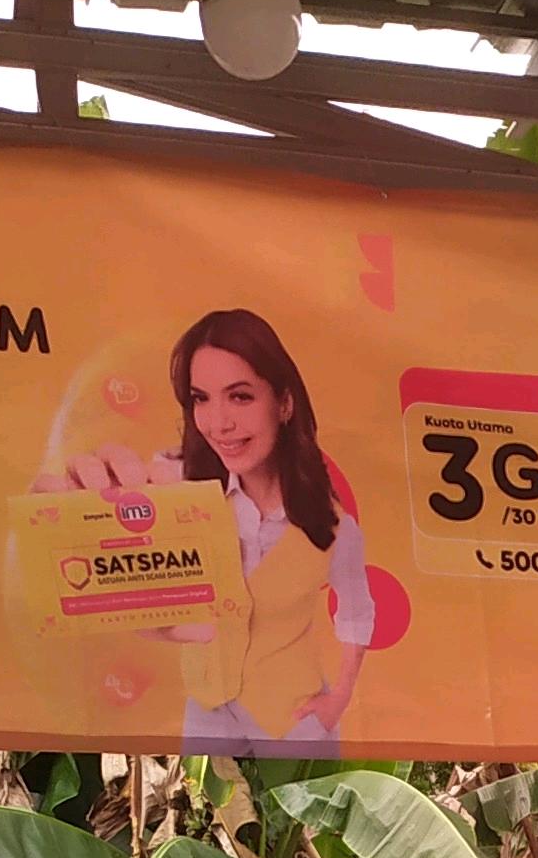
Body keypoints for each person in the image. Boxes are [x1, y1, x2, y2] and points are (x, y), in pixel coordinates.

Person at [33, 309, 372, 755]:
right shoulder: (175, 489)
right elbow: (135, 598)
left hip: (294, 720)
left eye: (240, 397)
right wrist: (75, 522)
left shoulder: (333, 526)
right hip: (207, 714)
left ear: (285, 404)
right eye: (201, 399)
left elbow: (356, 612)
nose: (218, 423)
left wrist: (339, 697)